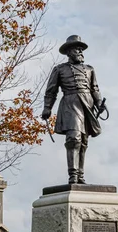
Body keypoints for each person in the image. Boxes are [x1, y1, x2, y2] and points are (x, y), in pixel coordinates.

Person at [41, 35, 106, 184]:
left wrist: (99, 102)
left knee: (83, 141)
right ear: (69, 52)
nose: (80, 52)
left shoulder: (89, 69)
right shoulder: (59, 69)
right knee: (73, 138)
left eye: (81, 49)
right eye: (77, 49)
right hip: (70, 104)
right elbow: (51, 90)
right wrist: (47, 108)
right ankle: (73, 175)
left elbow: (94, 88)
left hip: (87, 105)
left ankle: (80, 175)